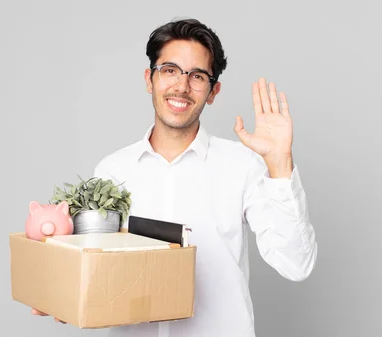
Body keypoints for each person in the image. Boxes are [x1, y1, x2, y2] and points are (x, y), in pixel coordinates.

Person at [32, 18, 317, 337]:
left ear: (213, 91)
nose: (181, 86)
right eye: (169, 70)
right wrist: (59, 291)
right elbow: (94, 267)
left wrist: (280, 163)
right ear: (149, 79)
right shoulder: (112, 172)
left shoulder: (244, 166)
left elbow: (296, 265)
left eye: (197, 76)